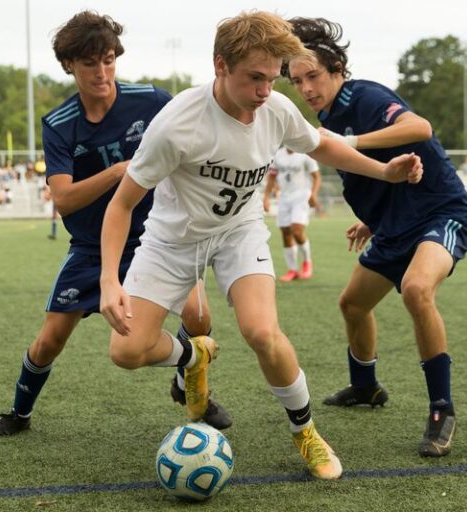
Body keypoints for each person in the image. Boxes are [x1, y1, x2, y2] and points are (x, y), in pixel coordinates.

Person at [99, 11, 422, 480]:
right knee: (125, 352)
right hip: (173, 242)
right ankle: (194, 356)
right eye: (255, 78)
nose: (266, 91)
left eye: (272, 79)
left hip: (239, 232)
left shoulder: (275, 110)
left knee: (262, 332)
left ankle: (306, 431)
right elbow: (121, 205)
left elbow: (321, 146)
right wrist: (110, 280)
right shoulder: (176, 125)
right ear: (220, 66)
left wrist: (384, 170)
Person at [0, 11, 231, 438]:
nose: (102, 72)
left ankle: (184, 383)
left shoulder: (151, 100)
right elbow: (64, 197)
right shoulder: (59, 124)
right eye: (90, 63)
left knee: (199, 314)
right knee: (49, 341)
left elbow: (194, 132)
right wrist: (120, 172)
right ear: (69, 66)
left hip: (156, 240)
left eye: (109, 60)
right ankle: (18, 414)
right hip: (92, 248)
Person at [286, 17, 467, 457]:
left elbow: (420, 129)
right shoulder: (328, 116)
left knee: (416, 288)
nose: (306, 88)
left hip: (440, 213)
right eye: (297, 80)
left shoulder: (365, 96)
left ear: (335, 69)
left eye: (313, 75)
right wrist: (371, 221)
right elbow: (380, 171)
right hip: (394, 226)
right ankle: (366, 386)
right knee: (352, 304)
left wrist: (351, 141)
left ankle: (441, 409)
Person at [263, 147, 321, 281]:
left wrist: (313, 194)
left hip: (301, 197)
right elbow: (271, 178)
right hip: (284, 197)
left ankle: (307, 262)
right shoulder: (277, 155)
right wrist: (266, 198)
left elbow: (316, 177)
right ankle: (292, 270)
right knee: (285, 233)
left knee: (297, 231)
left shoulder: (305, 154)